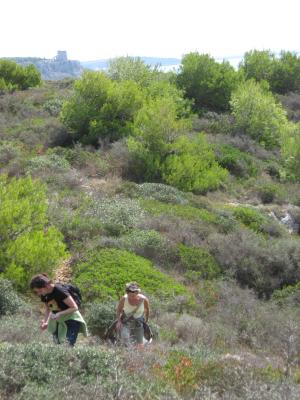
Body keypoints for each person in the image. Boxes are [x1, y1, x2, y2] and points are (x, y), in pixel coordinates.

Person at [30, 274, 88, 346]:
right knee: (57, 346)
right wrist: (45, 322)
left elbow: (74, 307)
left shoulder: (60, 291)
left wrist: (59, 314)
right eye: (37, 292)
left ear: (46, 285)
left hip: (71, 320)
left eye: (40, 290)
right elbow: (48, 309)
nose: (39, 293)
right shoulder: (44, 295)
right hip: (58, 321)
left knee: (67, 346)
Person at [116, 282, 150, 347]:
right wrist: (119, 321)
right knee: (125, 337)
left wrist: (146, 321)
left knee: (140, 344)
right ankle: (128, 351)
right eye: (130, 295)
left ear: (137, 293)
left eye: (133, 295)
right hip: (126, 321)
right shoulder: (124, 299)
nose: (131, 297)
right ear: (127, 293)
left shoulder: (144, 300)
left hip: (138, 322)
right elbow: (118, 310)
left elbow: (147, 310)